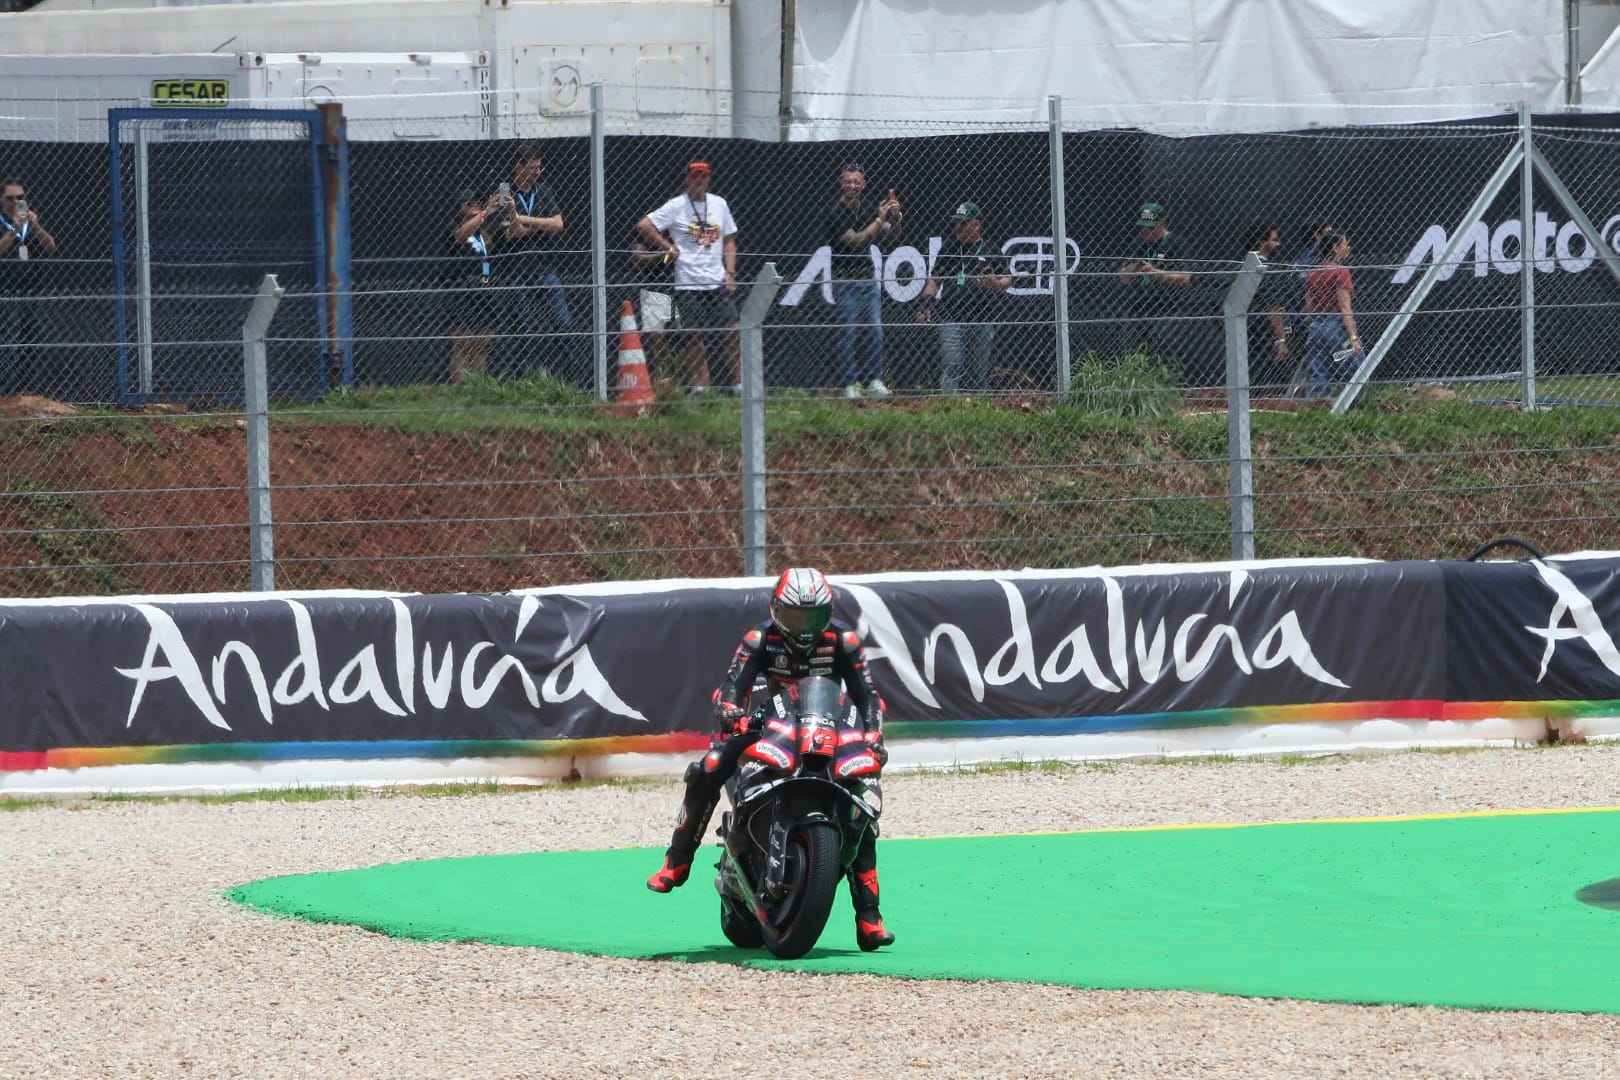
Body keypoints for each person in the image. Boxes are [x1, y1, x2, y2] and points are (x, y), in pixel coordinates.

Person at [646, 566, 895, 952]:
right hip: (771, 723)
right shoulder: (759, 639)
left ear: (827, 613)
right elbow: (734, 684)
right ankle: (677, 862)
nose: (805, 626)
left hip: (828, 726)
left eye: (813, 616)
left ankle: (869, 917)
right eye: (797, 616)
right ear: (778, 610)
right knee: (708, 769)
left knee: (858, 799)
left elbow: (867, 696)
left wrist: (873, 732)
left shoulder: (842, 641)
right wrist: (730, 708)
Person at [637, 161, 741, 394]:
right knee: (693, 336)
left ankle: (740, 385)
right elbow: (645, 225)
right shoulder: (677, 206)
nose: (700, 181)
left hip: (716, 280)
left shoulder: (719, 204)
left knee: (734, 330)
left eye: (704, 177)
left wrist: (730, 272)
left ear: (709, 179)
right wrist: (668, 248)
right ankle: (699, 387)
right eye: (695, 177)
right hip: (688, 282)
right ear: (687, 179)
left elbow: (729, 240)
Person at [493, 143, 573, 381]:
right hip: (516, 270)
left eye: (540, 167)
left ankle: (568, 380)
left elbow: (558, 224)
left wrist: (525, 219)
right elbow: (508, 231)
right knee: (522, 330)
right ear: (519, 167)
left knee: (563, 324)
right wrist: (540, 225)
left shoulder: (544, 190)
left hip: (544, 267)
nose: (538, 172)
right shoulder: (504, 190)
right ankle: (520, 382)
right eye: (533, 167)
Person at [917, 201, 1012, 393]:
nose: (957, 227)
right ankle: (948, 408)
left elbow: (1007, 279)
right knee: (951, 367)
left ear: (976, 225)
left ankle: (977, 409)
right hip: (952, 318)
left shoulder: (990, 249)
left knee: (978, 371)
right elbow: (934, 281)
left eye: (963, 223)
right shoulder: (950, 248)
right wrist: (925, 303)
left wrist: (994, 283)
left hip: (981, 319)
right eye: (956, 222)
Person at [827, 163, 902, 399]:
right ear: (841, 182)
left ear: (863, 184)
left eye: (856, 182)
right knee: (847, 332)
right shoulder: (835, 212)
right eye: (848, 181)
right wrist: (879, 221)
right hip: (844, 281)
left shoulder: (869, 209)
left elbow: (892, 235)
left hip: (868, 281)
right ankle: (849, 384)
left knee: (875, 332)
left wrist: (895, 216)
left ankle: (873, 382)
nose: (852, 186)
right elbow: (857, 241)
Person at [1117, 201, 1191, 375]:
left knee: (1163, 350)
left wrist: (1158, 273)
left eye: (1151, 227)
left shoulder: (1175, 243)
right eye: (1143, 227)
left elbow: (1185, 277)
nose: (1146, 232)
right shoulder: (1138, 244)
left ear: (1164, 223)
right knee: (1135, 349)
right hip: (1140, 308)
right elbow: (1123, 277)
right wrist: (1132, 269)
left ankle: (1170, 385)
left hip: (1169, 309)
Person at [0, 178, 57, 397]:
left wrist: (35, 225)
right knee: (8, 341)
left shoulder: (31, 222)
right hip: (6, 290)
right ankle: (5, 390)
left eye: (20, 198)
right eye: (11, 198)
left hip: (32, 289)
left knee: (31, 338)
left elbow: (51, 246)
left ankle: (26, 389)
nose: (16, 202)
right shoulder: (5, 222)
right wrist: (14, 228)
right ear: (2, 200)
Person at [445, 189, 499, 382]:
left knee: (482, 343)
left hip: (484, 288)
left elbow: (495, 241)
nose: (474, 205)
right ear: (458, 209)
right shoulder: (453, 226)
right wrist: (485, 213)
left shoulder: (484, 232)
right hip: (462, 290)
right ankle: (459, 386)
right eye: (468, 203)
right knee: (462, 343)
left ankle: (478, 386)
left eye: (477, 202)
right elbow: (460, 236)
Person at [1303, 230, 1362, 400]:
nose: (1348, 246)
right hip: (1336, 327)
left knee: (1319, 372)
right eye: (1344, 243)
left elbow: (1309, 309)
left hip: (1316, 329)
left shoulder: (1312, 273)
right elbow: (1344, 307)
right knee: (1356, 371)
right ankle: (1357, 406)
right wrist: (1353, 338)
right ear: (1335, 248)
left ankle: (1314, 410)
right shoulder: (1340, 272)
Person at [1239, 218, 1292, 390]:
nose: (1279, 244)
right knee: (1265, 380)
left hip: (1243, 328)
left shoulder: (1243, 263)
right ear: (1262, 241)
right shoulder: (1263, 267)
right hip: (1262, 332)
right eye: (1274, 239)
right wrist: (1281, 339)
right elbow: (1272, 306)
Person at [626, 227, 681, 389]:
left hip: (685, 289)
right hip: (656, 291)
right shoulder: (650, 227)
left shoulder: (689, 227)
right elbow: (638, 259)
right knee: (659, 343)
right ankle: (663, 386)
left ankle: (694, 389)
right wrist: (666, 254)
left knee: (690, 340)